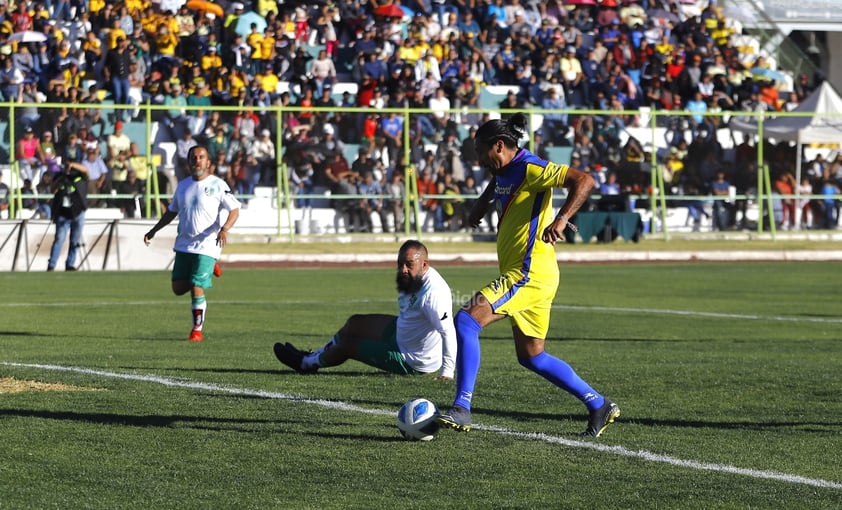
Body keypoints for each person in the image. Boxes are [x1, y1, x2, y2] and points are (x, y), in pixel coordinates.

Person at [436, 113, 620, 437]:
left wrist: (562, 218)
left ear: (499, 146)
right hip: (532, 273)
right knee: (532, 356)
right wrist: (482, 203)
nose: (479, 160)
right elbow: (501, 181)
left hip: (527, 272)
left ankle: (462, 407)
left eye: (481, 153)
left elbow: (585, 180)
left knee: (466, 320)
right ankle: (598, 404)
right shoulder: (508, 168)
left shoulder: (532, 167)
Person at [273, 240, 457, 379]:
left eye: (409, 264)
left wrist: (447, 372)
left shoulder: (434, 294)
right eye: (400, 263)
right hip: (401, 331)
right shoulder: (415, 277)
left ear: (425, 265)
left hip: (412, 358)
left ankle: (306, 364)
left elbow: (448, 332)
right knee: (355, 323)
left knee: (347, 345)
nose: (403, 269)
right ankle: (314, 356)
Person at [143, 146, 241, 342]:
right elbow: (172, 211)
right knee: (178, 288)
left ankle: (196, 330)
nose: (197, 160)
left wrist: (224, 229)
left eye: (201, 157)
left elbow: (235, 209)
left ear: (208, 163)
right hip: (185, 244)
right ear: (188, 162)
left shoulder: (218, 185)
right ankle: (207, 267)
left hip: (207, 244)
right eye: (193, 158)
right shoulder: (183, 185)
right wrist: (154, 230)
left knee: (197, 285)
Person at [47, 160, 89, 271]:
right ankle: (52, 264)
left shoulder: (81, 176)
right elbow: (53, 189)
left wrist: (73, 165)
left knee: (75, 240)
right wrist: (61, 179)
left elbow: (86, 170)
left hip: (78, 212)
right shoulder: (60, 177)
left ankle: (70, 263)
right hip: (63, 212)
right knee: (59, 239)